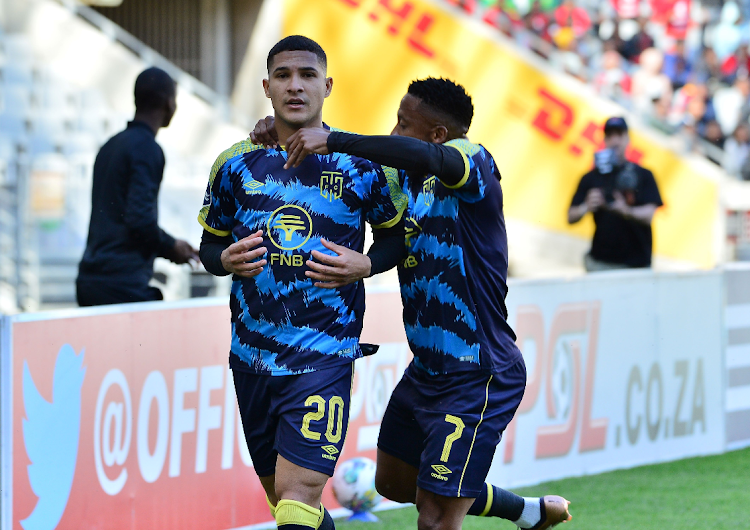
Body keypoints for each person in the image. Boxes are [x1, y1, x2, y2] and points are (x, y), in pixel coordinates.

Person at [254, 78, 572, 530]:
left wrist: (336, 138)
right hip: (426, 372)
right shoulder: (406, 179)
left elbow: (414, 154)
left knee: (436, 515)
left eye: (404, 124)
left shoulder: (473, 162)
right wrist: (284, 132)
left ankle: (491, 505)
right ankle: (527, 512)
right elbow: (361, 158)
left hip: (477, 373)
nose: (395, 132)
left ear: (439, 135)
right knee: (398, 484)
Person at [196, 36, 406, 530]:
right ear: (266, 87)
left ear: (327, 85)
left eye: (308, 75)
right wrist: (223, 259)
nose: (296, 86)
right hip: (251, 359)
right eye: (284, 76)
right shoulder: (233, 164)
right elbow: (208, 247)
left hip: (323, 356)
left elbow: (397, 238)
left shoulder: (361, 163)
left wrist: (368, 265)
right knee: (289, 505)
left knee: (298, 495)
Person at [76, 67, 198, 306]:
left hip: (89, 281)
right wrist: (172, 247)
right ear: (167, 102)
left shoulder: (110, 146)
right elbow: (139, 220)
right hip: (121, 285)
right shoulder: (148, 149)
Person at [568, 117, 663, 271]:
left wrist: (625, 210)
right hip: (601, 262)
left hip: (636, 264)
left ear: (627, 139)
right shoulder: (592, 177)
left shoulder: (643, 175)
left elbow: (649, 215)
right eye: (610, 136)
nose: (615, 141)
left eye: (619, 135)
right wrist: (586, 206)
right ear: (604, 140)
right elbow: (570, 216)